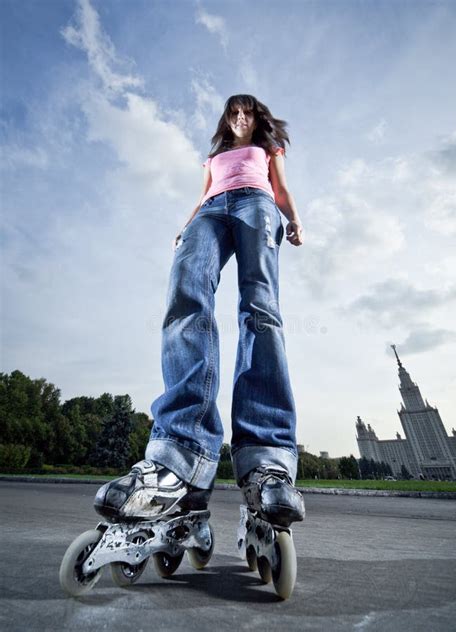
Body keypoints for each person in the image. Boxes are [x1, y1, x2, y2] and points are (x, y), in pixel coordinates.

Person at [94, 94, 305, 528]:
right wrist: (185, 224)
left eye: (247, 112)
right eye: (234, 113)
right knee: (185, 300)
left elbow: (280, 188)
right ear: (226, 121)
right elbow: (205, 193)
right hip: (210, 212)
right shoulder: (213, 157)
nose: (241, 118)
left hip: (257, 205)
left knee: (260, 309)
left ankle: (267, 460)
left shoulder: (267, 149)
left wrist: (295, 219)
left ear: (256, 118)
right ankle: (181, 453)